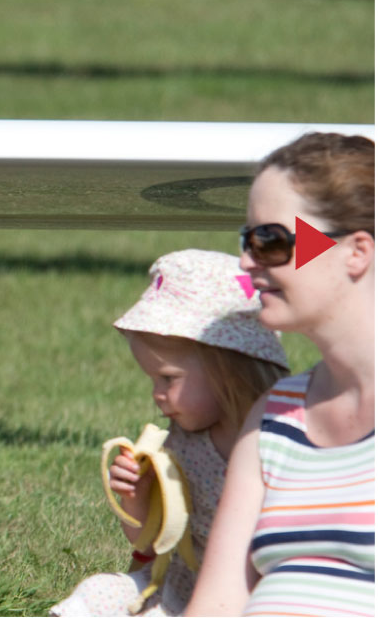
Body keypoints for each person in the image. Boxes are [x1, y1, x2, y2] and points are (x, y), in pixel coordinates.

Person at [185, 132, 374, 616]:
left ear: (356, 251)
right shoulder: (275, 416)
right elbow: (217, 604)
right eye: (247, 240)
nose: (246, 261)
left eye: (269, 240)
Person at [51, 249, 289, 616]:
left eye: (168, 378)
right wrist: (136, 498)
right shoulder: (183, 443)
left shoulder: (284, 444)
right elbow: (151, 544)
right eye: (153, 380)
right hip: (178, 591)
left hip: (257, 600)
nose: (156, 394)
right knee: (96, 593)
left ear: (227, 367)